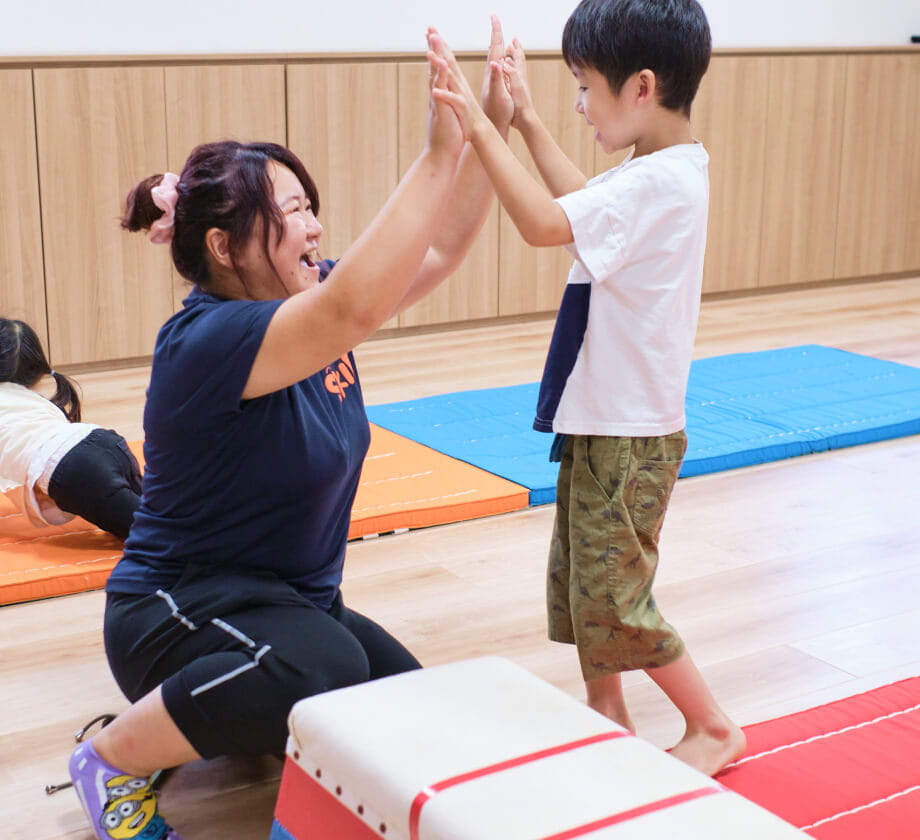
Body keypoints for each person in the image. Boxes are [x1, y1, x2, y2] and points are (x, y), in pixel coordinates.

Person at [66, 26, 513, 840]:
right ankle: (116, 754)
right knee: (326, 667)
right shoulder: (206, 342)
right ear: (224, 248)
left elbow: (441, 246)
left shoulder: (306, 308)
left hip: (286, 605)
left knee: (415, 710)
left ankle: (240, 720)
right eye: (295, 211)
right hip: (175, 616)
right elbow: (357, 308)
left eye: (312, 207)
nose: (315, 228)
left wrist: (487, 131)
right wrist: (437, 152)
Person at [430, 0, 746, 776]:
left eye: (583, 85)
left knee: (613, 595)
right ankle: (607, 711)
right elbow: (582, 211)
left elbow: (545, 223)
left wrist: (480, 124)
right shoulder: (665, 168)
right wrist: (530, 122)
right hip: (606, 418)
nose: (578, 103)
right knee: (580, 581)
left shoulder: (659, 182)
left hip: (629, 433)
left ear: (640, 87)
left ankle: (712, 726)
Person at [0, 318, 142, 540]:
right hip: (102, 441)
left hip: (76, 470)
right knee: (156, 515)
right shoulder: (32, 401)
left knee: (156, 537)